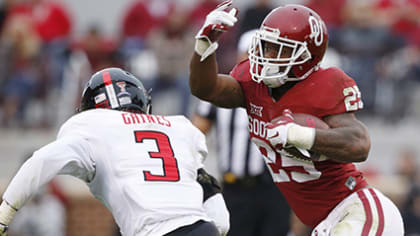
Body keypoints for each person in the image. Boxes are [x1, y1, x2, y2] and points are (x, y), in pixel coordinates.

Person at [189, 1, 404, 235]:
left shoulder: (326, 83)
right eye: (266, 46)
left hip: (356, 211)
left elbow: (360, 145)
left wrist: (298, 134)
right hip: (324, 222)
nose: (267, 56)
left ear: (307, 55)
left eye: (279, 49)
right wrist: (204, 47)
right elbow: (206, 89)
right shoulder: (253, 83)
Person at [0, 67, 230, 236]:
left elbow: (40, 160)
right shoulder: (179, 127)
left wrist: (5, 215)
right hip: (203, 229)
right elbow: (213, 198)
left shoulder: (93, 126)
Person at [191, 29, 291, 236]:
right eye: (249, 52)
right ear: (238, 56)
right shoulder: (221, 91)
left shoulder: (285, 93)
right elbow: (193, 137)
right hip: (236, 188)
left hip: (275, 188)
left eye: (262, 53)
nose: (255, 59)